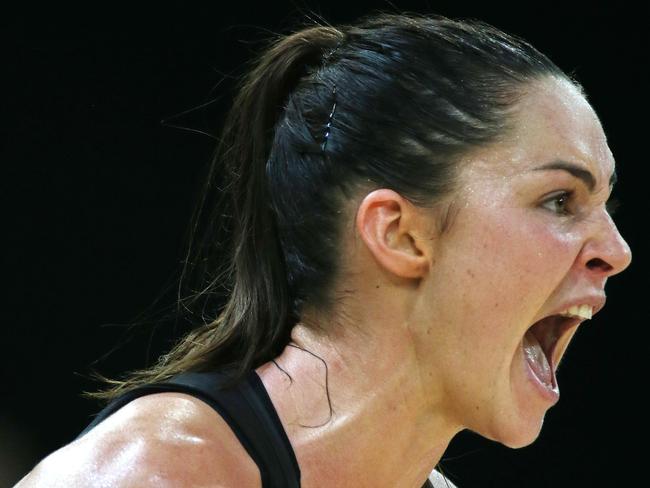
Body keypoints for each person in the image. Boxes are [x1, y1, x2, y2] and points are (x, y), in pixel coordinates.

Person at [15, 10, 631, 488]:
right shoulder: (154, 475)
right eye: (560, 200)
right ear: (397, 233)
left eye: (606, 205)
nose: (617, 250)